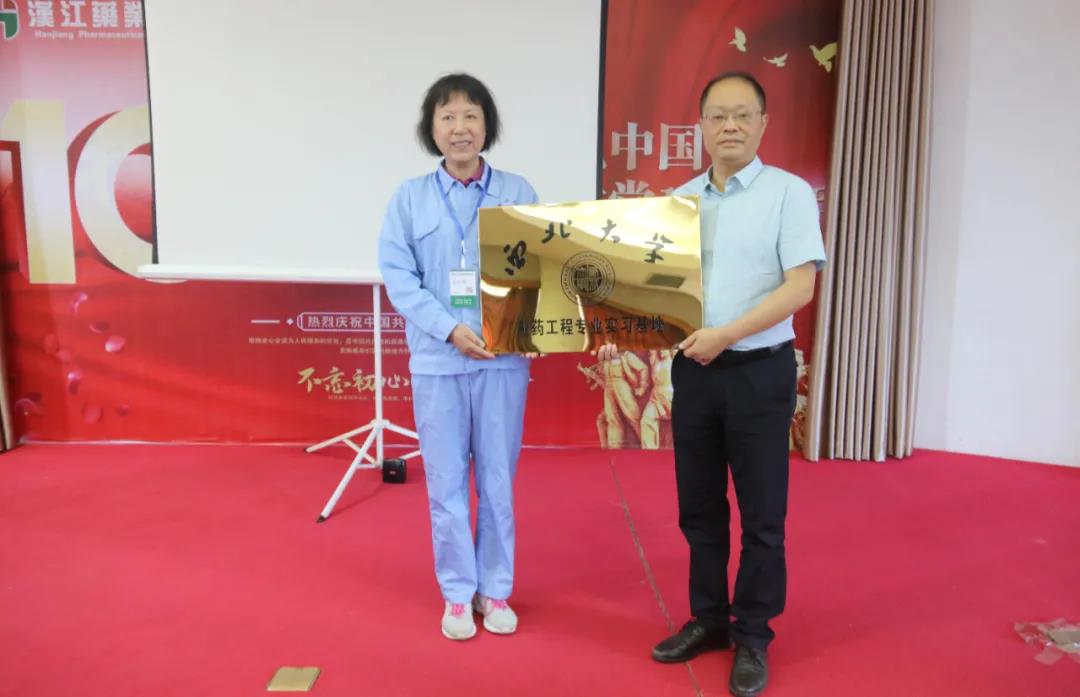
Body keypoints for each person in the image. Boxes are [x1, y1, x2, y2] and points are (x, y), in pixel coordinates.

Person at [597, 71, 825, 696]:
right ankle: (709, 619)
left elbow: (800, 287)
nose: (730, 126)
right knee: (698, 509)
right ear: (699, 126)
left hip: (759, 371)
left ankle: (753, 635)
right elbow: (655, 292)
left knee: (762, 514)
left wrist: (726, 334)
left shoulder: (788, 194)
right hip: (695, 374)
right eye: (718, 115)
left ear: (763, 124)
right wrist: (616, 324)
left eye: (742, 115)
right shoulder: (678, 202)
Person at [378, 73, 538, 641]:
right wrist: (449, 329)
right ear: (432, 129)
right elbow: (399, 278)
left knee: (497, 481)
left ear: (487, 125)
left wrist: (532, 327)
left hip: (501, 362)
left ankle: (495, 589)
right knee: (445, 484)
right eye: (447, 117)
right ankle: (455, 593)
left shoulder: (519, 193)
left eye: (471, 115)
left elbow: (541, 274)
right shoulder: (409, 198)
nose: (460, 127)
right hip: (438, 362)